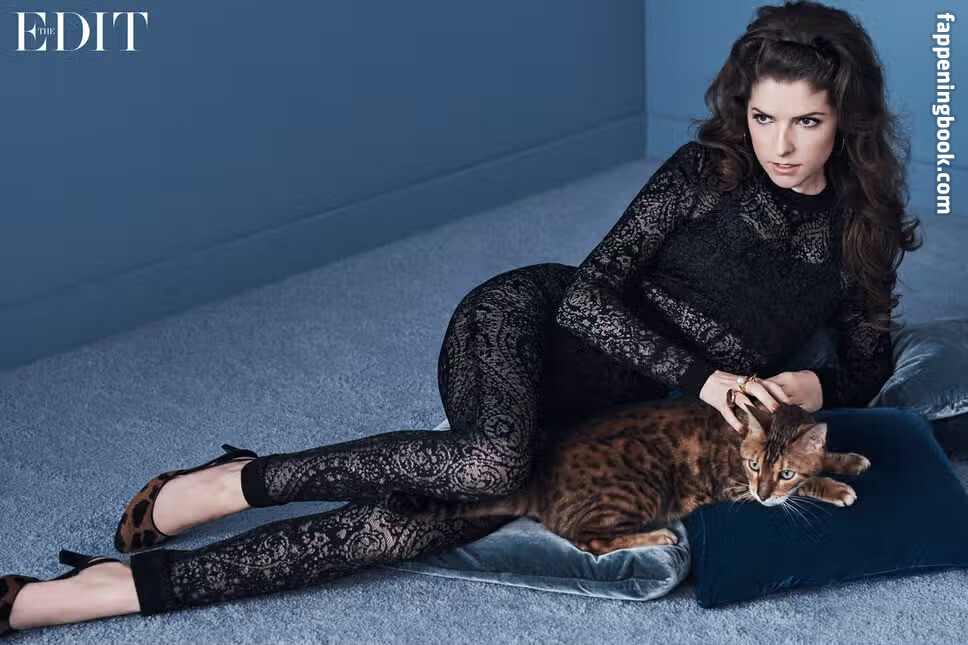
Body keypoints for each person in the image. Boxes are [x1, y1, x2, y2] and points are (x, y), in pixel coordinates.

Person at [1, 0, 922, 637]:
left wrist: (812, 385)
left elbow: (866, 361)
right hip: (526, 330)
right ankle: (235, 482)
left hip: (605, 429)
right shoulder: (704, 172)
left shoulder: (862, 228)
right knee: (488, 461)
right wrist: (707, 378)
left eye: (805, 123)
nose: (778, 145)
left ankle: (101, 593)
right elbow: (586, 292)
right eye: (762, 117)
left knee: (413, 524)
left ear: (846, 119)